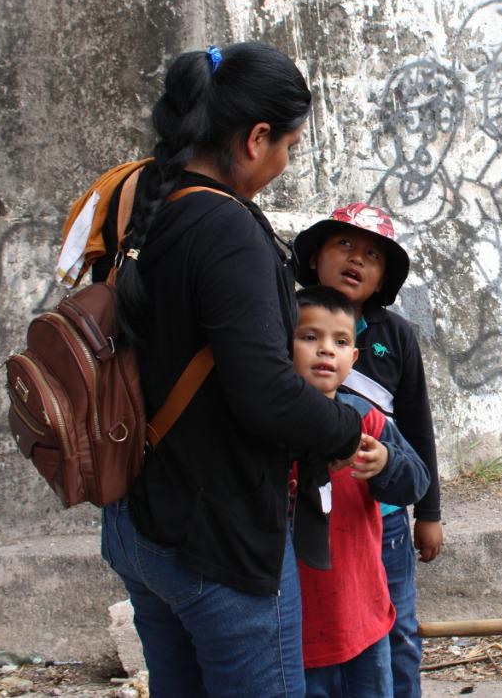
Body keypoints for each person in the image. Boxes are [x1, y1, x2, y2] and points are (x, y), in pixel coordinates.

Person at [95, 43, 364, 697]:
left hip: (137, 521)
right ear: (256, 137)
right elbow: (267, 395)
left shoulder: (139, 195)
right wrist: (343, 426)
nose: (283, 163)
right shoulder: (229, 229)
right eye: (287, 147)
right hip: (214, 538)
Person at [293, 202, 442, 698]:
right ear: (316, 257)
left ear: (382, 281)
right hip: (311, 517)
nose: (357, 259)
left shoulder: (395, 335)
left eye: (373, 255)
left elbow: (418, 428)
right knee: (320, 632)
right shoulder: (283, 318)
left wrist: (429, 512)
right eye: (345, 245)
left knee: (393, 628)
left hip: (387, 518)